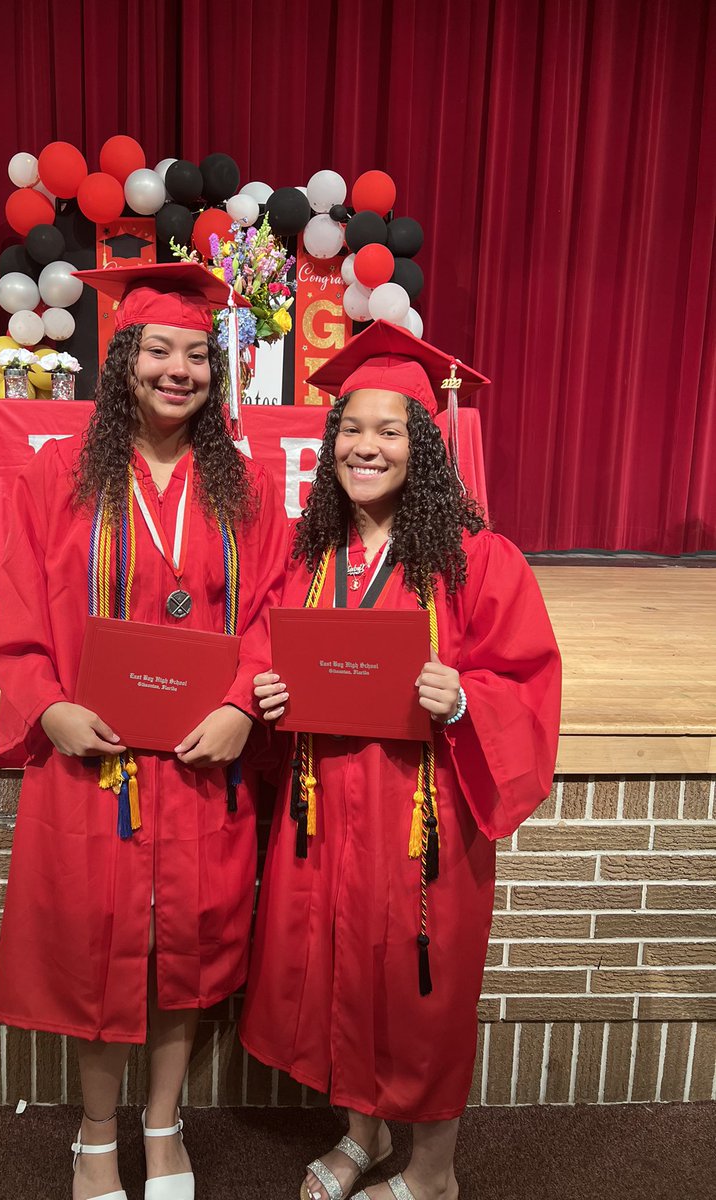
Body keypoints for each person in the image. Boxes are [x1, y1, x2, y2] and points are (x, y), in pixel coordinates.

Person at [239, 320, 562, 1200]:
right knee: (343, 975)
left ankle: (432, 1172)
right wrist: (267, 694)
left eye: (389, 430)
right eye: (350, 429)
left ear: (423, 447)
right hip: (328, 808)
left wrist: (463, 699)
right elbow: (266, 651)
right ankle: (360, 1135)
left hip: (425, 821)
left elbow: (526, 682)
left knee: (422, 994)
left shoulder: (477, 561)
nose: (366, 447)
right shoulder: (311, 560)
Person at [0, 262, 286, 1200]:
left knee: (183, 954)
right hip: (97, 762)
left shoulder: (247, 487)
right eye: (159, 350)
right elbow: (20, 609)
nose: (178, 371)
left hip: (200, 765)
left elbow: (272, 611)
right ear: (124, 362)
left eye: (197, 355)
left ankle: (164, 1127)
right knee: (97, 954)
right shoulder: (58, 475)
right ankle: (94, 1138)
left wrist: (241, 705)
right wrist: (49, 705)